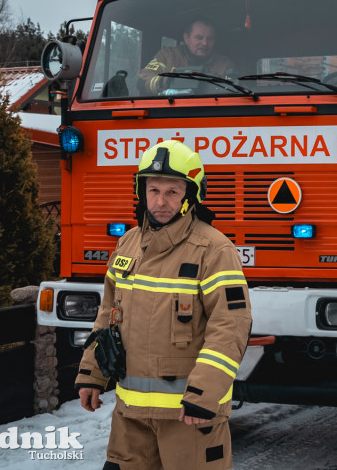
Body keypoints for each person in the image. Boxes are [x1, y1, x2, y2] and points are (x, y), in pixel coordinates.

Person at [75, 140, 251, 470]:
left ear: (190, 195)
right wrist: (91, 374)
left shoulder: (214, 250)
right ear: (141, 192)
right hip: (130, 418)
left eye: (172, 192)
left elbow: (230, 328)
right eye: (153, 190)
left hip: (189, 418)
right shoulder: (128, 244)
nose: (160, 201)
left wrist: (204, 394)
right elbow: (108, 315)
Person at [139, 18, 235, 94]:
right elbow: (142, 82)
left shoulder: (224, 64)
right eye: (199, 37)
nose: (205, 43)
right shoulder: (167, 56)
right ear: (186, 38)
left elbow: (235, 89)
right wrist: (170, 81)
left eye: (210, 39)